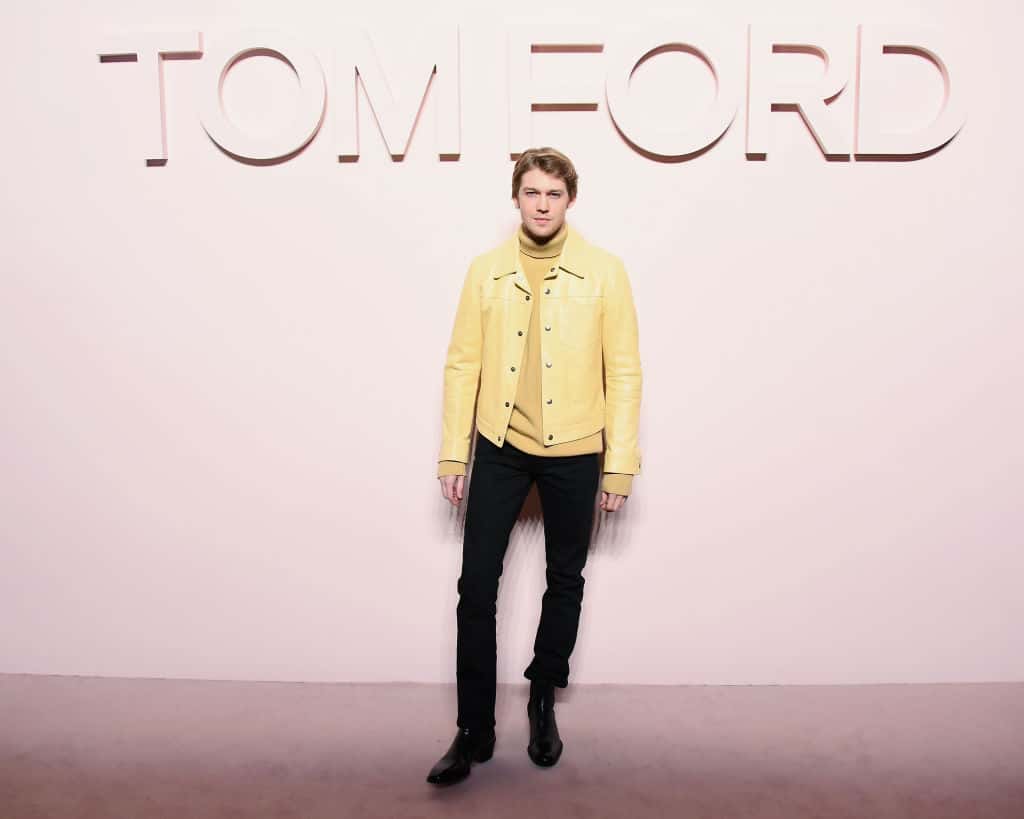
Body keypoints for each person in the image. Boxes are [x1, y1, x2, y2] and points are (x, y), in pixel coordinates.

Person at [426, 146, 642, 786]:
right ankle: (474, 728)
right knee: (476, 588)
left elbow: (624, 372)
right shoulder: (485, 272)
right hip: (500, 445)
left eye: (554, 193)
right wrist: (453, 451)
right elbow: (462, 365)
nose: (542, 205)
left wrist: (619, 465)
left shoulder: (605, 272)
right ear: (515, 197)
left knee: (564, 579)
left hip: (576, 448)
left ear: (570, 199)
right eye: (531, 192)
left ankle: (543, 698)